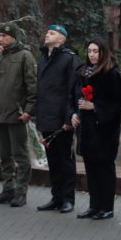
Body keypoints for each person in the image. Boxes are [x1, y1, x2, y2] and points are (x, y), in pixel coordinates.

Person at [0, 23, 37, 208]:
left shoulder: (24, 56)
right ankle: (8, 189)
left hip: (17, 114)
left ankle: (21, 192)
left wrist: (29, 110)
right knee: (4, 155)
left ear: (13, 37)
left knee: (20, 155)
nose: (0, 39)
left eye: (4, 35)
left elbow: (32, 85)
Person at [71, 37, 121, 220]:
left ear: (103, 52)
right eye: (90, 51)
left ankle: (107, 207)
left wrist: (95, 107)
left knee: (105, 170)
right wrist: (74, 114)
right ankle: (94, 206)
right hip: (87, 130)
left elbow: (116, 104)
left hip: (104, 132)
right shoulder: (83, 72)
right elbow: (75, 96)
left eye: (96, 51)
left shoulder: (111, 74)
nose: (92, 55)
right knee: (91, 169)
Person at [35, 25, 82, 214]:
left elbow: (73, 91)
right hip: (46, 118)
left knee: (65, 161)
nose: (47, 34)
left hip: (62, 121)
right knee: (52, 161)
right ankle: (56, 197)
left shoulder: (70, 59)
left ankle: (68, 199)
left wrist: (68, 118)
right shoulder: (44, 58)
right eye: (47, 32)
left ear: (62, 39)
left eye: (52, 33)